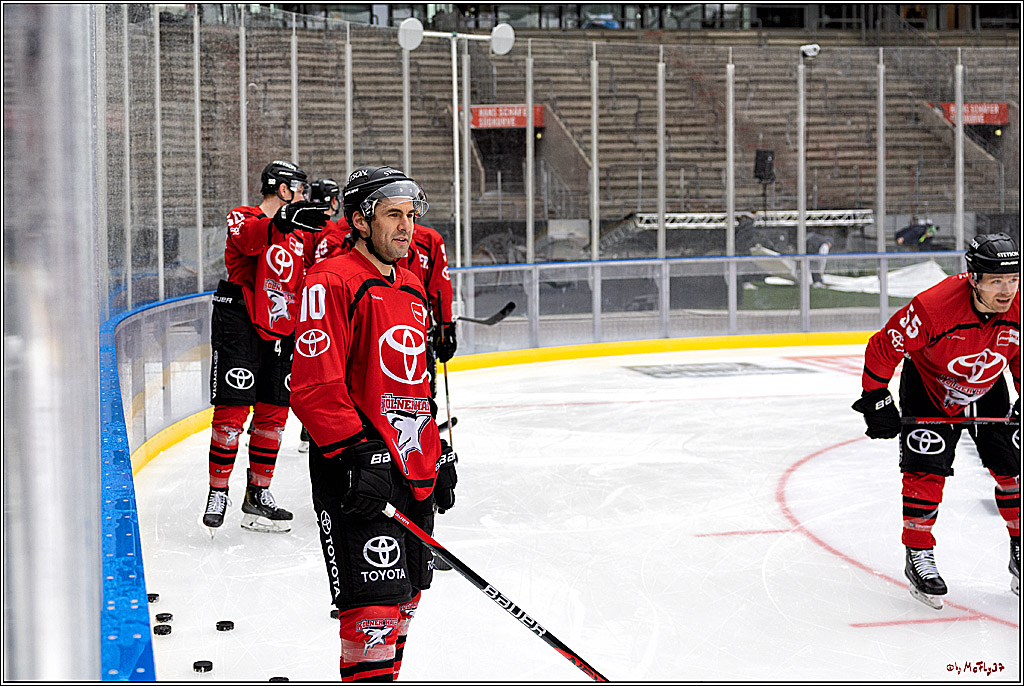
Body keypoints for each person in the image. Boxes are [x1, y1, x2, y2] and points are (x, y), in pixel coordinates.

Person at [290, 166, 458, 681]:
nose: (406, 228)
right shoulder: (330, 281)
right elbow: (314, 385)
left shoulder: (410, 287)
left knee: (404, 604)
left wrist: (441, 455)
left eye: (410, 216)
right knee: (373, 618)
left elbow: (416, 384)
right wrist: (359, 452)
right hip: (358, 470)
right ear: (360, 221)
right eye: (392, 215)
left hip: (413, 469)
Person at [852, 233, 1020, 609]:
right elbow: (885, 345)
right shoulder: (934, 307)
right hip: (929, 387)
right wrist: (876, 396)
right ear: (974, 278)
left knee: (1013, 473)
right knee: (925, 473)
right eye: (997, 281)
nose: (1007, 290)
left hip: (987, 388)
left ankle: (1020, 548)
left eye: (1013, 279)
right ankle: (919, 556)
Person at [202, 160, 327, 535]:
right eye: (299, 189)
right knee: (232, 411)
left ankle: (258, 494)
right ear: (283, 188)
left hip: (283, 327)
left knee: (274, 413)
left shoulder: (300, 234)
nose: (305, 196)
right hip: (239, 323)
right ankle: (217, 491)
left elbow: (319, 263)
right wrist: (283, 219)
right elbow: (250, 240)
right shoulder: (242, 216)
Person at [297, 177, 347, 454]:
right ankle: (317, 428)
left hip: (296, 303)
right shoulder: (331, 229)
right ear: (332, 201)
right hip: (323, 303)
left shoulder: (297, 227)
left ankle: (305, 428)